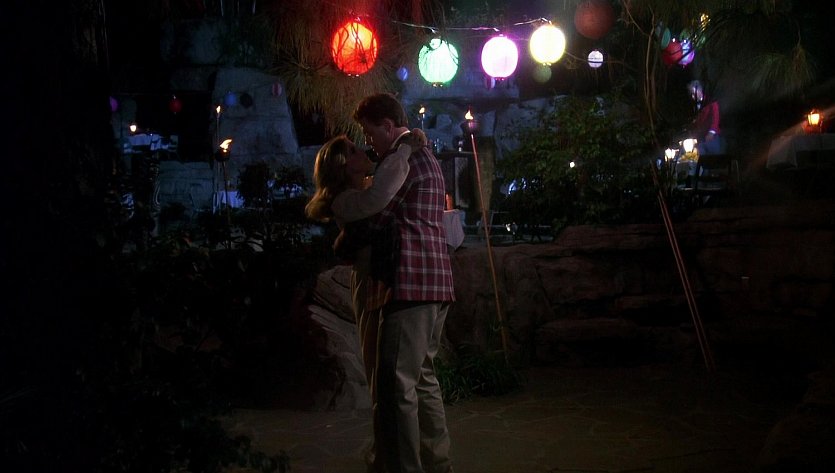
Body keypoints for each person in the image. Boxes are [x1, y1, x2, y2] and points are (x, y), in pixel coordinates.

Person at [305, 130, 427, 473]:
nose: (363, 151)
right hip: (370, 282)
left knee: (385, 373)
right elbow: (380, 198)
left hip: (381, 280)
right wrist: (403, 150)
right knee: (377, 371)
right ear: (344, 165)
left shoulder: (357, 194)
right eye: (354, 151)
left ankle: (384, 453)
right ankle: (384, 455)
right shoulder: (346, 200)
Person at [347, 92, 456, 473]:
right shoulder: (424, 157)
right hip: (435, 282)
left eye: (370, 133)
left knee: (397, 383)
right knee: (422, 379)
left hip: (411, 282)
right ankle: (438, 464)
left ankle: (405, 467)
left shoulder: (401, 161)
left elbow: (377, 216)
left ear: (388, 126)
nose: (369, 142)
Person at [687, 80, 725, 156]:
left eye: (694, 93)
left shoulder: (711, 101)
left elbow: (715, 117)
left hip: (712, 137)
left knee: (714, 158)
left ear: (700, 91)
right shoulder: (692, 105)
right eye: (691, 94)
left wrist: (711, 132)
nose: (692, 97)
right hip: (700, 139)